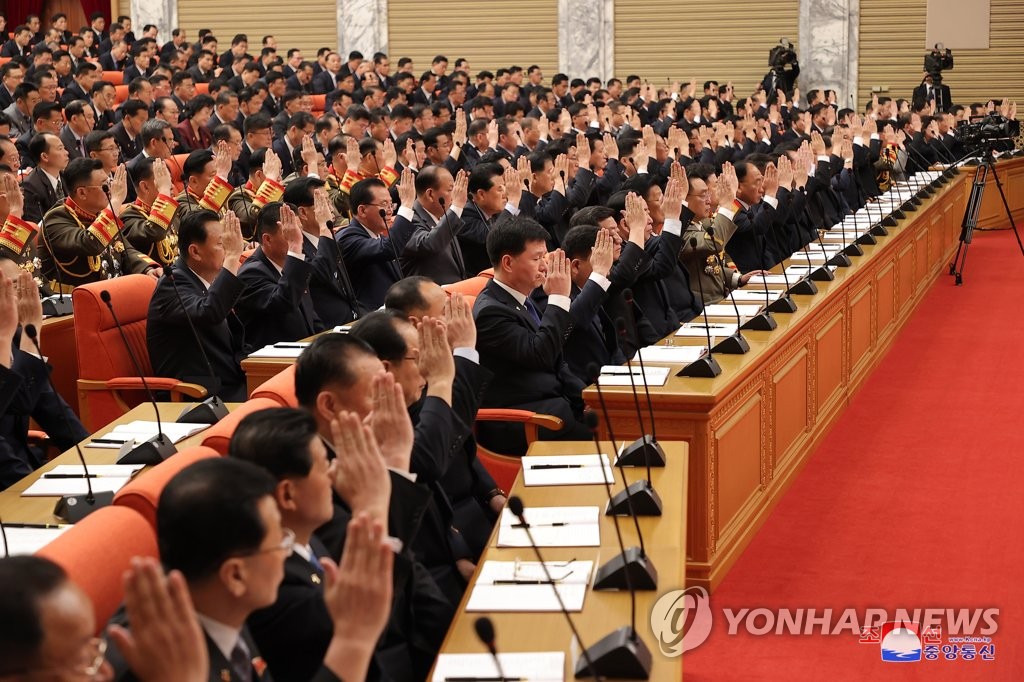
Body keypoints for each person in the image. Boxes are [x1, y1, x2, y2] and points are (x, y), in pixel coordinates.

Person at [104, 456, 394, 682]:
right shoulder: (163, 665)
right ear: (235, 575)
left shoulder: (214, 598)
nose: (287, 553)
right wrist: (354, 639)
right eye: (279, 541)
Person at [295, 333, 455, 680]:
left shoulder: (365, 448)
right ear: (330, 405)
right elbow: (386, 607)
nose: (388, 407)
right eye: (375, 395)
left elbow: (413, 568)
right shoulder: (314, 485)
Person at [473, 217, 603, 454]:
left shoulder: (524, 299)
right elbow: (541, 354)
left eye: (545, 256)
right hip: (527, 421)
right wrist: (559, 297)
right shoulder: (490, 312)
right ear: (508, 263)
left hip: (558, 407)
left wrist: (588, 396)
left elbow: (558, 362)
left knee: (624, 420)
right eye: (536, 258)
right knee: (617, 440)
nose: (545, 265)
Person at [147, 209, 249, 402]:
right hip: (197, 394)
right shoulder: (172, 284)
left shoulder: (205, 281)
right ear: (195, 252)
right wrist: (233, 256)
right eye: (222, 244)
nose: (228, 249)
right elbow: (209, 312)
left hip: (229, 381)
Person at [38, 160, 161, 291]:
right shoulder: (55, 219)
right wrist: (116, 201)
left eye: (110, 182)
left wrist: (147, 269)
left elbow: (124, 250)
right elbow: (91, 243)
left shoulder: (100, 214)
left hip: (112, 292)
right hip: (75, 301)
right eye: (105, 186)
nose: (111, 191)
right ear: (82, 193)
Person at [235, 202, 324, 349]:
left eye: (299, 231)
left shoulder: (293, 264)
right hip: (274, 360)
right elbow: (284, 302)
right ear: (267, 239)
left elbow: (310, 318)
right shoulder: (251, 273)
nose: (299, 238)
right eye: (290, 234)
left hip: (305, 351)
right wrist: (294, 247)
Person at [336, 173, 417, 310]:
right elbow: (389, 249)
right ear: (362, 210)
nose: (390, 211)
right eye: (384, 204)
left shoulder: (379, 236)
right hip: (371, 319)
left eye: (391, 204)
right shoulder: (347, 238)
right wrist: (407, 204)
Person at [401, 165, 469, 284]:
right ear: (430, 194)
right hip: (428, 298)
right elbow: (429, 244)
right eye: (450, 190)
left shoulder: (443, 215)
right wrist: (457, 206)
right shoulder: (408, 219)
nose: (455, 195)